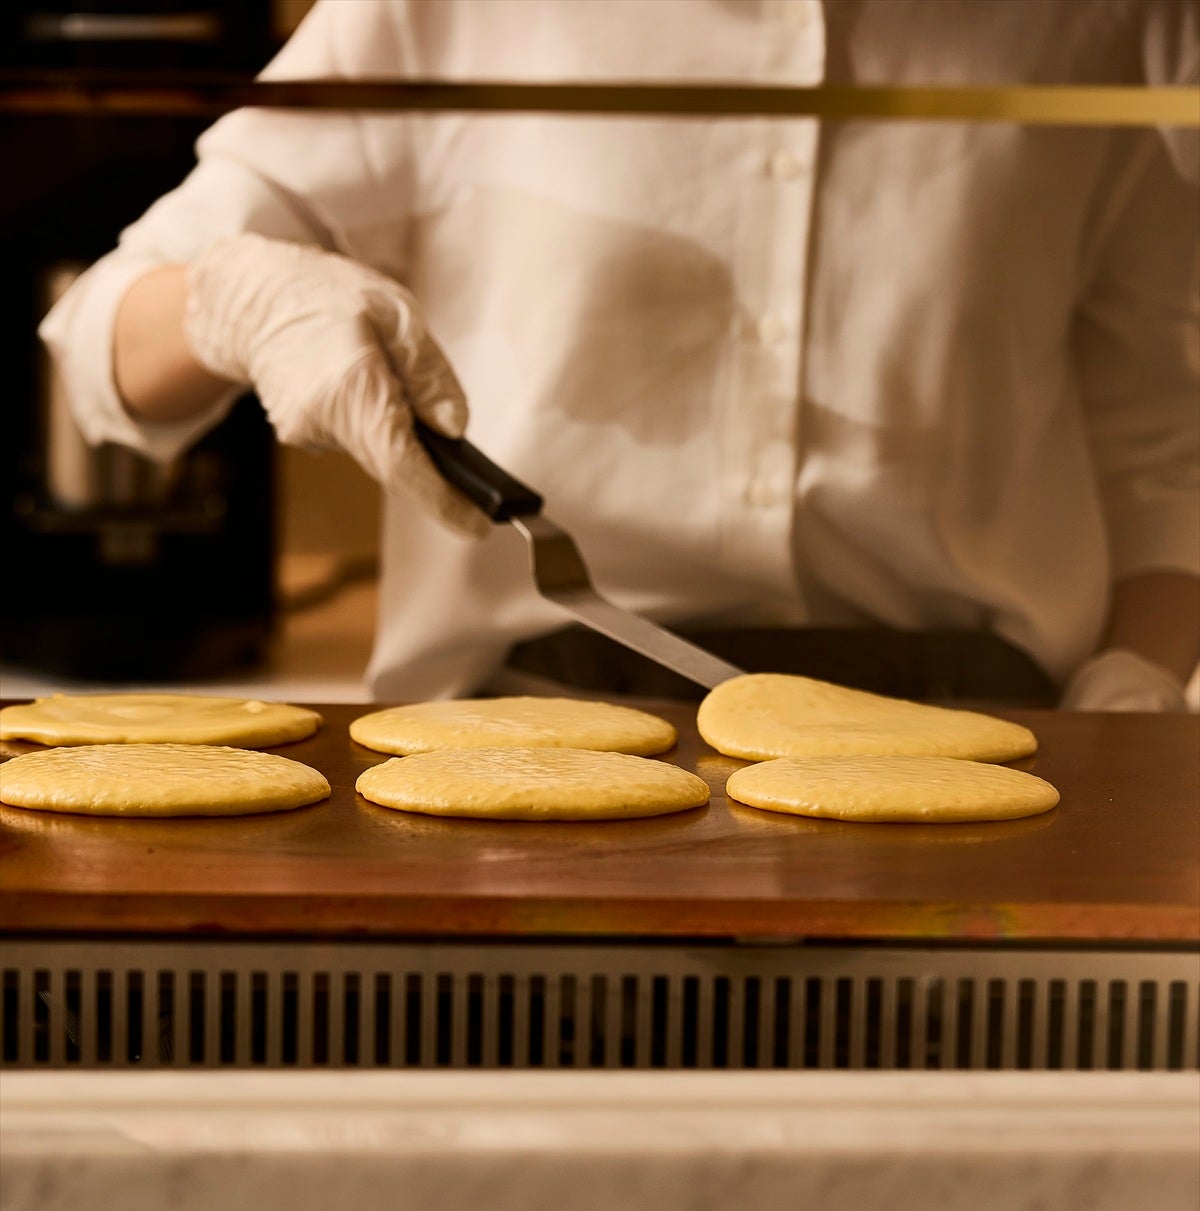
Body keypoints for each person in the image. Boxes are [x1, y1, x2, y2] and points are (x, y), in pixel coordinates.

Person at [41, 0, 1200, 708]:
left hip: (992, 746)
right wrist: (240, 300)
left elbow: (1157, 454)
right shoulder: (447, 4)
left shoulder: (1101, 23)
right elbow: (99, 346)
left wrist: (1140, 684)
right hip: (530, 733)